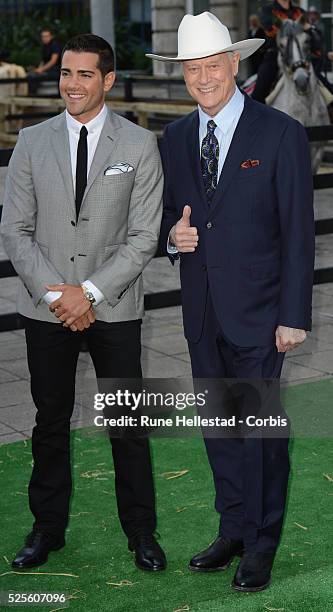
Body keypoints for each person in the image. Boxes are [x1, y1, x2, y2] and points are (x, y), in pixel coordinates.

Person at [147, 11, 315, 592]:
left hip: (264, 313)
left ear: (233, 64)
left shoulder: (279, 133)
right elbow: (170, 215)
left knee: (261, 429)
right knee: (219, 427)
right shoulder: (174, 137)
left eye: (211, 65)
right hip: (203, 311)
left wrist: (295, 315)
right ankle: (234, 528)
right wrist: (174, 237)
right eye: (191, 69)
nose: (202, 77)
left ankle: (261, 544)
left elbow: (298, 232)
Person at [1, 33, 166, 573]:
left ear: (108, 80)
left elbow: (143, 237)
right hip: (46, 307)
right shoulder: (31, 141)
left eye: (84, 74)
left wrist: (89, 293)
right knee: (50, 421)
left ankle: (141, 531)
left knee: (128, 424)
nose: (71, 84)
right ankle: (47, 529)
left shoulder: (139, 146)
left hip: (112, 306)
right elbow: (16, 231)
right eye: (66, 73)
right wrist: (59, 294)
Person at [252, 0, 307, 102]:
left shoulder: (300, 11)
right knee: (260, 88)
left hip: (299, 55)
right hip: (275, 53)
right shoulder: (267, 10)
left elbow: (308, 30)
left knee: (322, 82)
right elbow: (270, 27)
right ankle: (253, 113)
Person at [28, 28, 62, 94]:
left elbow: (53, 61)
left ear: (51, 36)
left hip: (56, 71)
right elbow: (43, 61)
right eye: (43, 36)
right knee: (31, 75)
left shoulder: (55, 45)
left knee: (33, 77)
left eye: (46, 36)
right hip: (48, 70)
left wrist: (42, 69)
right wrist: (38, 69)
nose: (44, 38)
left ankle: (33, 96)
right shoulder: (44, 46)